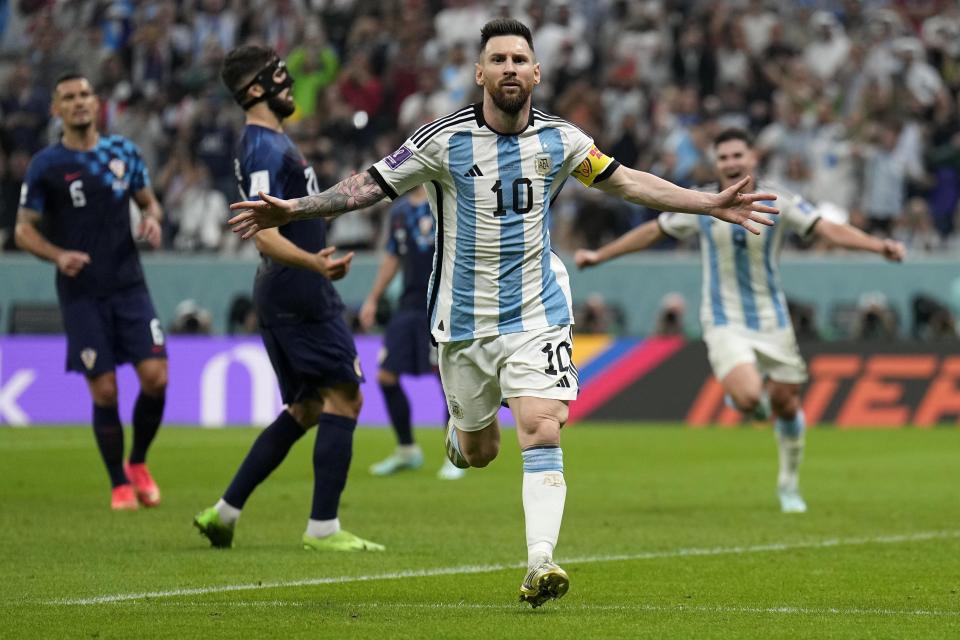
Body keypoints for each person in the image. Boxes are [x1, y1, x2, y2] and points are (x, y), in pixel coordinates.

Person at [228, 19, 777, 607]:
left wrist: (707, 203)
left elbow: (627, 183)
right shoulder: (442, 141)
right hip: (461, 324)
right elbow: (365, 187)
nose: (511, 68)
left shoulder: (562, 141)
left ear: (537, 72)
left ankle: (540, 562)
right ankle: (459, 437)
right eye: (499, 59)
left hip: (537, 312)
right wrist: (294, 209)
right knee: (479, 451)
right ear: (480, 73)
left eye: (520, 58)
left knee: (542, 424)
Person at [575, 128, 906, 514]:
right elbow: (653, 230)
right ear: (715, 163)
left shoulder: (778, 200)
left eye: (738, 155)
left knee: (785, 404)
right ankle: (748, 400)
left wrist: (877, 246)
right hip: (722, 316)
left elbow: (826, 229)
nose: (731, 163)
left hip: (772, 317)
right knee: (750, 396)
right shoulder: (701, 204)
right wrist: (600, 256)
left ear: (753, 159)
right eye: (724, 157)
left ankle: (788, 484)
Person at [192, 45, 383, 552]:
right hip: (297, 289)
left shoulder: (274, 142)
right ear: (255, 90)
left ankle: (224, 512)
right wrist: (315, 263)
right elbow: (262, 231)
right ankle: (323, 528)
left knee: (305, 408)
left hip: (286, 287)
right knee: (346, 397)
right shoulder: (262, 148)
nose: (289, 83)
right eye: (279, 76)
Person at [15, 73, 168, 511]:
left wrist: (152, 218)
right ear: (56, 109)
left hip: (129, 285)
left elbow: (148, 201)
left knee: (157, 379)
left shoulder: (123, 152)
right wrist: (58, 255)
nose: (79, 102)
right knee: (104, 392)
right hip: (81, 292)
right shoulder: (47, 165)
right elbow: (24, 231)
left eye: (85, 95)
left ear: (97, 102)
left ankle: (138, 461)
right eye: (69, 97)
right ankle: (119, 482)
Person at [359, 184, 465, 480]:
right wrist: (373, 298)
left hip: (443, 304)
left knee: (447, 381)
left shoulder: (447, 199)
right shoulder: (401, 211)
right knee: (385, 376)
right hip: (408, 306)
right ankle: (407, 449)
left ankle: (455, 456)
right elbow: (393, 256)